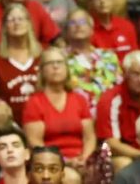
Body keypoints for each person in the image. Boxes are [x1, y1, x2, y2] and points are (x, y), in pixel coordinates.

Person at [22, 47, 95, 183]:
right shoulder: (34, 102)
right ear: (42, 71)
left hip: (82, 160)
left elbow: (89, 137)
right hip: (50, 163)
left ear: (67, 68)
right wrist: (65, 162)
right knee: (71, 178)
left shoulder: (79, 99)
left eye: (59, 62)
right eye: (50, 63)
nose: (55, 66)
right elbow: (35, 142)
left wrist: (83, 158)